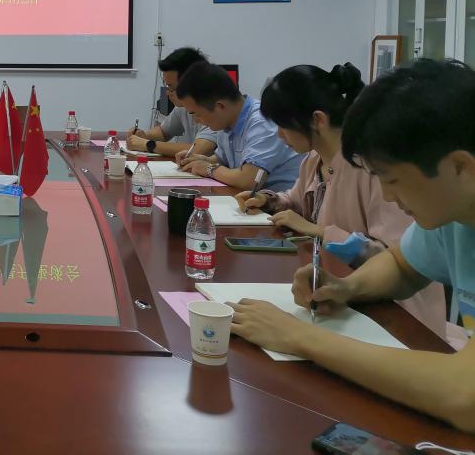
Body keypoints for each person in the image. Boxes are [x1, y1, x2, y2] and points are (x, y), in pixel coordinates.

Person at [230, 60, 475, 433]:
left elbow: (465, 396)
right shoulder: (452, 214)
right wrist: (347, 287)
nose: (388, 197)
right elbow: (402, 264)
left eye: (392, 180)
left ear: (461, 168)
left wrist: (299, 337)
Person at [237, 62, 447, 335]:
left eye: (283, 125)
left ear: (317, 120)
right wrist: (270, 201)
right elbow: (296, 200)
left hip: (394, 312)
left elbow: (394, 255)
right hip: (342, 294)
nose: (279, 135)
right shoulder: (314, 160)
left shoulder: (372, 167)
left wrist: (322, 232)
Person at [174, 61, 303, 191]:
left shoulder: (262, 122)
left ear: (220, 106)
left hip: (280, 201)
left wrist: (208, 169)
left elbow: (248, 180)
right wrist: (203, 160)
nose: (196, 121)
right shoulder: (226, 122)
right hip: (250, 199)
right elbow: (224, 161)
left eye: (197, 114)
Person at [127, 47, 219, 159]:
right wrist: (143, 136)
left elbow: (198, 150)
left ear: (189, 83)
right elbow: (163, 132)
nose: (167, 93)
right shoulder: (182, 106)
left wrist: (148, 144)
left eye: (170, 87)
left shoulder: (215, 107)